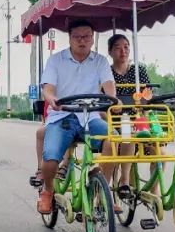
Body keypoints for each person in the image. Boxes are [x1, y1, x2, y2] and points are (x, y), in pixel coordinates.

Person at [36, 19, 117, 215]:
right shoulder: (56, 60)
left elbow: (109, 86)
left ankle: (101, 192)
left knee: (113, 140)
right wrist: (52, 98)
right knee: (50, 160)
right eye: (77, 37)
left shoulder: (100, 61)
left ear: (92, 38)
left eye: (87, 36)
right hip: (62, 117)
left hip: (91, 118)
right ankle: (47, 190)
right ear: (70, 38)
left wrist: (113, 100)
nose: (82, 41)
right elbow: (48, 88)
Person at [108, 34, 151, 195]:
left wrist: (143, 111)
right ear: (110, 51)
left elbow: (147, 95)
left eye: (126, 47)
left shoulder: (139, 71)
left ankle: (154, 194)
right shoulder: (107, 72)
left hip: (138, 117)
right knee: (127, 135)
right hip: (117, 119)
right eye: (118, 48)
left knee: (159, 151)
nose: (123, 51)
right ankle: (124, 181)